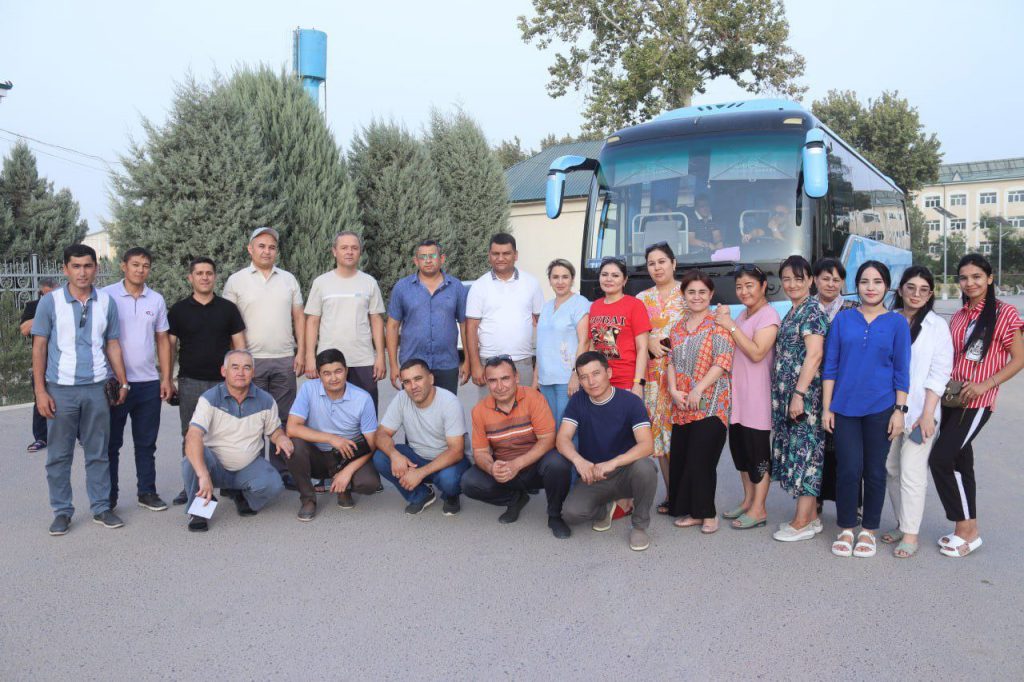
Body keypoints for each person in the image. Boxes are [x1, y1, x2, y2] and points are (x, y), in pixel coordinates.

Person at [928, 253, 1024, 557]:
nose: (969, 283)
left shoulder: (1005, 313)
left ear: (990, 278)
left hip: (977, 401)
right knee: (960, 463)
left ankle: (967, 529)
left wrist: (986, 384)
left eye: (976, 277)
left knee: (941, 459)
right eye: (964, 278)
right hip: (952, 398)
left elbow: (1019, 358)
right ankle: (966, 530)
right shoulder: (960, 315)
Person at [31, 244, 129, 536]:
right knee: (59, 456)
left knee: (98, 453)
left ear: (95, 268)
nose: (82, 272)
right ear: (65, 269)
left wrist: (123, 381)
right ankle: (62, 511)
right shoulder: (50, 303)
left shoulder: (107, 302)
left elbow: (113, 343)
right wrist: (40, 391)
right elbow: (39, 347)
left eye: (88, 266)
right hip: (60, 390)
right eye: (76, 266)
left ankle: (101, 507)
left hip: (97, 389)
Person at [823, 260, 911, 559]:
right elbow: (830, 366)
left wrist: (899, 410)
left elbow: (902, 371)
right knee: (848, 469)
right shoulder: (843, 320)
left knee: (874, 471)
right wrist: (827, 408)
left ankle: (869, 530)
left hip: (881, 408)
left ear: (887, 286)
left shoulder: (897, 323)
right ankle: (847, 527)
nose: (870, 288)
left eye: (877, 282)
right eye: (864, 282)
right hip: (844, 407)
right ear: (856, 286)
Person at [222, 226, 305, 484]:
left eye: (271, 247)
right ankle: (253, 474)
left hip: (284, 358)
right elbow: (228, 322)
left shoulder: (288, 279)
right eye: (261, 246)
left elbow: (299, 317)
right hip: (250, 362)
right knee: (251, 419)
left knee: (283, 418)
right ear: (250, 249)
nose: (267, 251)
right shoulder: (236, 281)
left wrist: (302, 352)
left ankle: (283, 472)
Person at [882, 266, 953, 558]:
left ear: (930, 294)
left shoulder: (937, 326)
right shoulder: (889, 319)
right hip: (888, 411)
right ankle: (902, 523)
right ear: (900, 290)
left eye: (923, 290)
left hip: (921, 413)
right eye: (910, 288)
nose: (916, 294)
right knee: (891, 469)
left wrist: (927, 414)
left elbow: (940, 372)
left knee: (912, 471)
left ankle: (911, 534)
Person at [460, 356, 573, 538]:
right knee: (469, 481)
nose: (500, 386)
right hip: (505, 468)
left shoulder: (533, 398)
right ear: (487, 383)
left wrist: (517, 464)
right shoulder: (479, 410)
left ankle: (555, 515)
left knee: (558, 463)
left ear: (516, 377)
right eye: (493, 380)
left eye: (505, 378)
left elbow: (548, 440)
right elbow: (480, 452)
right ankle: (515, 499)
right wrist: (491, 467)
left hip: (535, 466)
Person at [557, 351, 658, 551]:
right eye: (584, 377)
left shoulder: (630, 402)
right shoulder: (578, 401)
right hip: (594, 473)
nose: (591, 381)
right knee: (570, 513)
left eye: (596, 374)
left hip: (626, 470)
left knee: (646, 468)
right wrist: (579, 461)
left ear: (609, 373)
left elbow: (647, 445)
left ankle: (639, 526)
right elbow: (562, 439)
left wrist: (614, 462)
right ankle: (607, 509)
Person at [182, 350, 292, 532]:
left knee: (273, 485)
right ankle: (199, 510)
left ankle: (242, 495)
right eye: (235, 367)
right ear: (224, 371)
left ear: (253, 372)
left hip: (247, 466)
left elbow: (274, 430)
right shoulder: (209, 398)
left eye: (246, 368)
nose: (241, 372)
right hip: (214, 466)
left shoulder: (266, 400)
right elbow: (193, 435)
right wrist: (203, 475)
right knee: (191, 461)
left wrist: (281, 438)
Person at [167, 257, 247, 505]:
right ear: (190, 278)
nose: (204, 277)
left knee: (227, 434)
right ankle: (191, 485)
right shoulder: (178, 310)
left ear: (215, 277)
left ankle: (230, 485)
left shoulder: (228, 309)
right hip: (191, 382)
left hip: (224, 384)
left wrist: (241, 378)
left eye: (209, 273)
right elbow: (170, 347)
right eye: (199, 273)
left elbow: (240, 346)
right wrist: (167, 379)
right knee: (190, 434)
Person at [102, 247, 174, 512]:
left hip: (148, 383)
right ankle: (108, 498)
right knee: (111, 445)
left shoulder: (156, 299)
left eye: (145, 265)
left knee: (146, 443)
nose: (140, 270)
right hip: (114, 383)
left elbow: (162, 340)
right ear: (124, 266)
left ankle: (147, 492)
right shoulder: (106, 295)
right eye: (135, 264)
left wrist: (166, 378)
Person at [666, 270, 735, 534]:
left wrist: (698, 389)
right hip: (682, 404)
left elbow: (722, 361)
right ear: (684, 295)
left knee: (701, 459)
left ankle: (708, 515)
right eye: (691, 292)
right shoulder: (678, 327)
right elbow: (671, 361)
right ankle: (694, 512)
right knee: (683, 458)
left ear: (711, 294)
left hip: (711, 404)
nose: (697, 297)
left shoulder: (718, 324)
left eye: (702, 292)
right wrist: (673, 390)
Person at [714, 264, 780, 529]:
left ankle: (759, 509)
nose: (743, 291)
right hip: (738, 397)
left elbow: (756, 352)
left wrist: (730, 326)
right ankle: (748, 500)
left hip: (757, 398)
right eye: (739, 287)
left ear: (763, 286)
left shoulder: (768, 315)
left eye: (749, 285)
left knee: (758, 455)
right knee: (741, 453)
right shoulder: (742, 315)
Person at [770, 255, 829, 542]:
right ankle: (812, 517)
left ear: (810, 280)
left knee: (806, 453)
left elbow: (814, 355)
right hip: (790, 395)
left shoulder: (812, 311)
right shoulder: (794, 310)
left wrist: (798, 394)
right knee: (799, 450)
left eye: (798, 278)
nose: (792, 284)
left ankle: (802, 521)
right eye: (787, 279)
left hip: (805, 397)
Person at [284, 349, 381, 520]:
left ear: (346, 371)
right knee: (293, 445)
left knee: (369, 483)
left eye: (338, 371)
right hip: (317, 454)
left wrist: (347, 471)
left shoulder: (363, 398)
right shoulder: (308, 389)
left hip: (347, 455)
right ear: (319, 375)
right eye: (327, 373)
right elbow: (292, 428)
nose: (333, 378)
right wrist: (331, 438)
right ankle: (308, 499)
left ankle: (345, 487)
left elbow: (372, 443)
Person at [373, 358, 470, 515]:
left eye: (418, 379)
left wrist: (420, 473)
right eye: (407, 382)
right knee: (381, 457)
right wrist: (394, 455)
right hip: (418, 458)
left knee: (449, 480)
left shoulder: (449, 402)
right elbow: (381, 434)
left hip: (448, 461)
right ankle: (420, 495)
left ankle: (451, 496)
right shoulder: (401, 398)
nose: (413, 386)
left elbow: (456, 451)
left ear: (430, 379)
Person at [305, 231, 387, 409]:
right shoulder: (321, 283)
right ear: (334, 251)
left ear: (360, 252)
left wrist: (381, 356)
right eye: (344, 248)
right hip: (329, 361)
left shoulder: (369, 282)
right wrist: (310, 356)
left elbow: (376, 320)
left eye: (354, 248)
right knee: (328, 412)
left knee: (366, 412)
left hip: (363, 360)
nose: (349, 252)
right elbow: (312, 321)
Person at [636, 243, 685, 511]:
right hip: (654, 378)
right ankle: (672, 494)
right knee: (661, 436)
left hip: (684, 374)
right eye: (652, 263)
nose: (657, 267)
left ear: (673, 263)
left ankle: (690, 495)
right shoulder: (642, 299)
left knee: (683, 436)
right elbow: (636, 335)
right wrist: (650, 339)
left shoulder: (689, 292)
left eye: (662, 261)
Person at [386, 239, 469, 396]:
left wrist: (468, 361)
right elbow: (392, 326)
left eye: (432, 256)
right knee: (414, 409)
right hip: (412, 365)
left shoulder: (456, 287)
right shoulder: (402, 288)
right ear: (416, 261)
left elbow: (465, 326)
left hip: (447, 364)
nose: (428, 260)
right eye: (423, 257)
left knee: (446, 408)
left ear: (442, 258)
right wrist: (393, 365)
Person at [466, 233, 544, 393]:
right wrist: (475, 365)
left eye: (506, 253)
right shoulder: (479, 286)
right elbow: (471, 327)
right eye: (496, 253)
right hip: (489, 363)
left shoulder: (532, 283)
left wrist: (540, 365)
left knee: (524, 407)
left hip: (523, 361)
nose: (500, 258)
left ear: (516, 255)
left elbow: (542, 323)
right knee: (490, 408)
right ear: (489, 255)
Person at [812, 257, 860, 515]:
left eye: (836, 279)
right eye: (825, 278)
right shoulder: (807, 307)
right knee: (817, 446)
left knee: (847, 448)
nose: (831, 284)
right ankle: (816, 498)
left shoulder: (854, 309)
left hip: (846, 387)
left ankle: (852, 503)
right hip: (812, 387)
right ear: (815, 280)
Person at [534, 258, 590, 424]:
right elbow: (542, 345)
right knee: (550, 425)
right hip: (545, 379)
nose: (560, 282)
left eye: (565, 277)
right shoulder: (546, 307)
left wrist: (576, 374)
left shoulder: (580, 303)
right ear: (549, 280)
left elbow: (584, 341)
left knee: (567, 426)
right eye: (555, 277)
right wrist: (535, 378)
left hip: (567, 378)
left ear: (572, 279)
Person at [588, 258, 651, 397]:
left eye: (615, 275)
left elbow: (642, 348)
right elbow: (592, 346)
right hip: (599, 383)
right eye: (604, 274)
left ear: (624, 280)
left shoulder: (635, 305)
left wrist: (638, 383)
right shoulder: (595, 306)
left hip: (626, 382)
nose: (609, 279)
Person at [20, 277, 57, 453]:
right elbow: (24, 329)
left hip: (64, 359)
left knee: (73, 398)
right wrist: (45, 313)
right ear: (42, 292)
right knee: (40, 397)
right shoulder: (33, 306)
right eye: (48, 294)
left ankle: (81, 435)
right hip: (42, 360)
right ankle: (41, 437)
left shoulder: (66, 304)